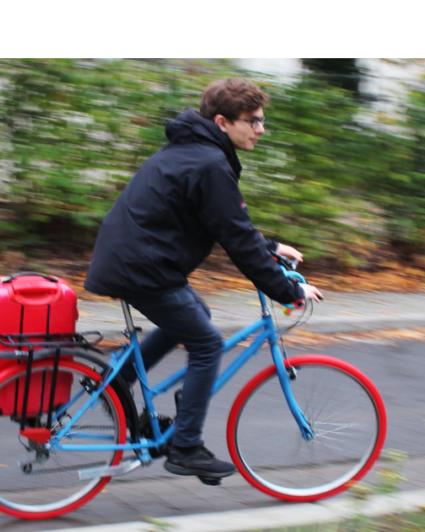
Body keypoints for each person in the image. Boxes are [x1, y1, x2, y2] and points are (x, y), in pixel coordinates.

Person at [84, 78, 324, 482]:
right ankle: (186, 447)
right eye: (253, 121)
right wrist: (289, 290)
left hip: (135, 260)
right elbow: (234, 237)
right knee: (208, 343)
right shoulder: (209, 162)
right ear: (222, 121)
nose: (260, 129)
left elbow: (222, 222)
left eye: (261, 121)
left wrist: (271, 246)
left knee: (199, 312)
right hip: (142, 267)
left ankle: (114, 383)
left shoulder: (195, 151)